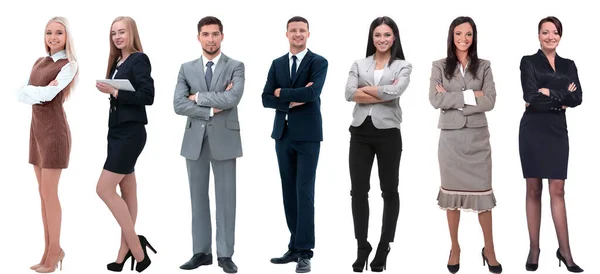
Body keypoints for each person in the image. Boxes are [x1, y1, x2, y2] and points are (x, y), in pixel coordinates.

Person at [428, 16, 502, 274]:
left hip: (477, 139)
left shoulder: (484, 66)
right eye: (458, 34)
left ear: (474, 37)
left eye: (468, 34)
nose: (463, 39)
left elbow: (491, 100)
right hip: (450, 141)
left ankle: (489, 249)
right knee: (451, 199)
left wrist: (453, 98)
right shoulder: (439, 65)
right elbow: (434, 100)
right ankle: (455, 247)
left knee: (483, 197)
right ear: (451, 36)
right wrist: (472, 95)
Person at [174, 16, 245, 274]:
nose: (211, 39)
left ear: (222, 36)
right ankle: (201, 252)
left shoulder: (236, 66)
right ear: (199, 37)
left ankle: (225, 254)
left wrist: (198, 97)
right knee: (197, 198)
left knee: (226, 199)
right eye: (206, 34)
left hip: (225, 140)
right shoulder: (186, 68)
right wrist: (211, 108)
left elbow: (233, 97)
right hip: (195, 140)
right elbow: (178, 104)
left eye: (215, 34)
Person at [344, 16, 411, 273]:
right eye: (377, 35)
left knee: (389, 190)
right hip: (360, 132)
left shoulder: (403, 65)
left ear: (394, 38)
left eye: (386, 35)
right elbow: (349, 93)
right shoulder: (359, 63)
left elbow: (397, 92)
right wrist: (382, 91)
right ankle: (362, 245)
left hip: (388, 134)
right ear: (372, 38)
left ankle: (384, 245)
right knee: (358, 192)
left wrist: (367, 90)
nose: (382, 39)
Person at [261, 16, 328, 273]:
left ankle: (305, 251)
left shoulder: (318, 62)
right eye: (293, 30)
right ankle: (293, 245)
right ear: (286, 34)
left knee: (304, 191)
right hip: (283, 135)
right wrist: (289, 97)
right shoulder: (277, 64)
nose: (297, 34)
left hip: (308, 136)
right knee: (288, 191)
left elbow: (312, 94)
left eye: (302, 30)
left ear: (308, 34)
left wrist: (282, 92)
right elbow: (265, 98)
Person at [518, 16, 583, 273]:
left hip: (557, 130)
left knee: (558, 190)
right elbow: (530, 96)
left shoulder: (569, 64)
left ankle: (565, 251)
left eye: (554, 32)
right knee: (533, 188)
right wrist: (560, 95)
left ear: (560, 35)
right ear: (538, 35)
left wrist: (549, 93)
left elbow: (577, 97)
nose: (549, 37)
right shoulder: (528, 61)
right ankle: (534, 248)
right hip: (533, 129)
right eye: (545, 32)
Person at [16, 16, 78, 274]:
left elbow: (49, 95)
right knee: (42, 195)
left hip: (54, 134)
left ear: (66, 37)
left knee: (50, 194)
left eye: (59, 33)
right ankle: (48, 250)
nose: (53, 37)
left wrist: (35, 91)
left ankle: (55, 251)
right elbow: (20, 93)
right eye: (49, 32)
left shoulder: (69, 64)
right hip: (36, 132)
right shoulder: (39, 62)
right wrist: (36, 91)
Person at [95, 16, 156, 273]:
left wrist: (116, 91)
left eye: (122, 32)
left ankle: (137, 249)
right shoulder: (117, 62)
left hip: (130, 134)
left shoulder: (139, 59)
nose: (117, 37)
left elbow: (148, 96)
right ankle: (123, 252)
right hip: (116, 131)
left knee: (104, 189)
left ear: (131, 33)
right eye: (113, 33)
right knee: (127, 190)